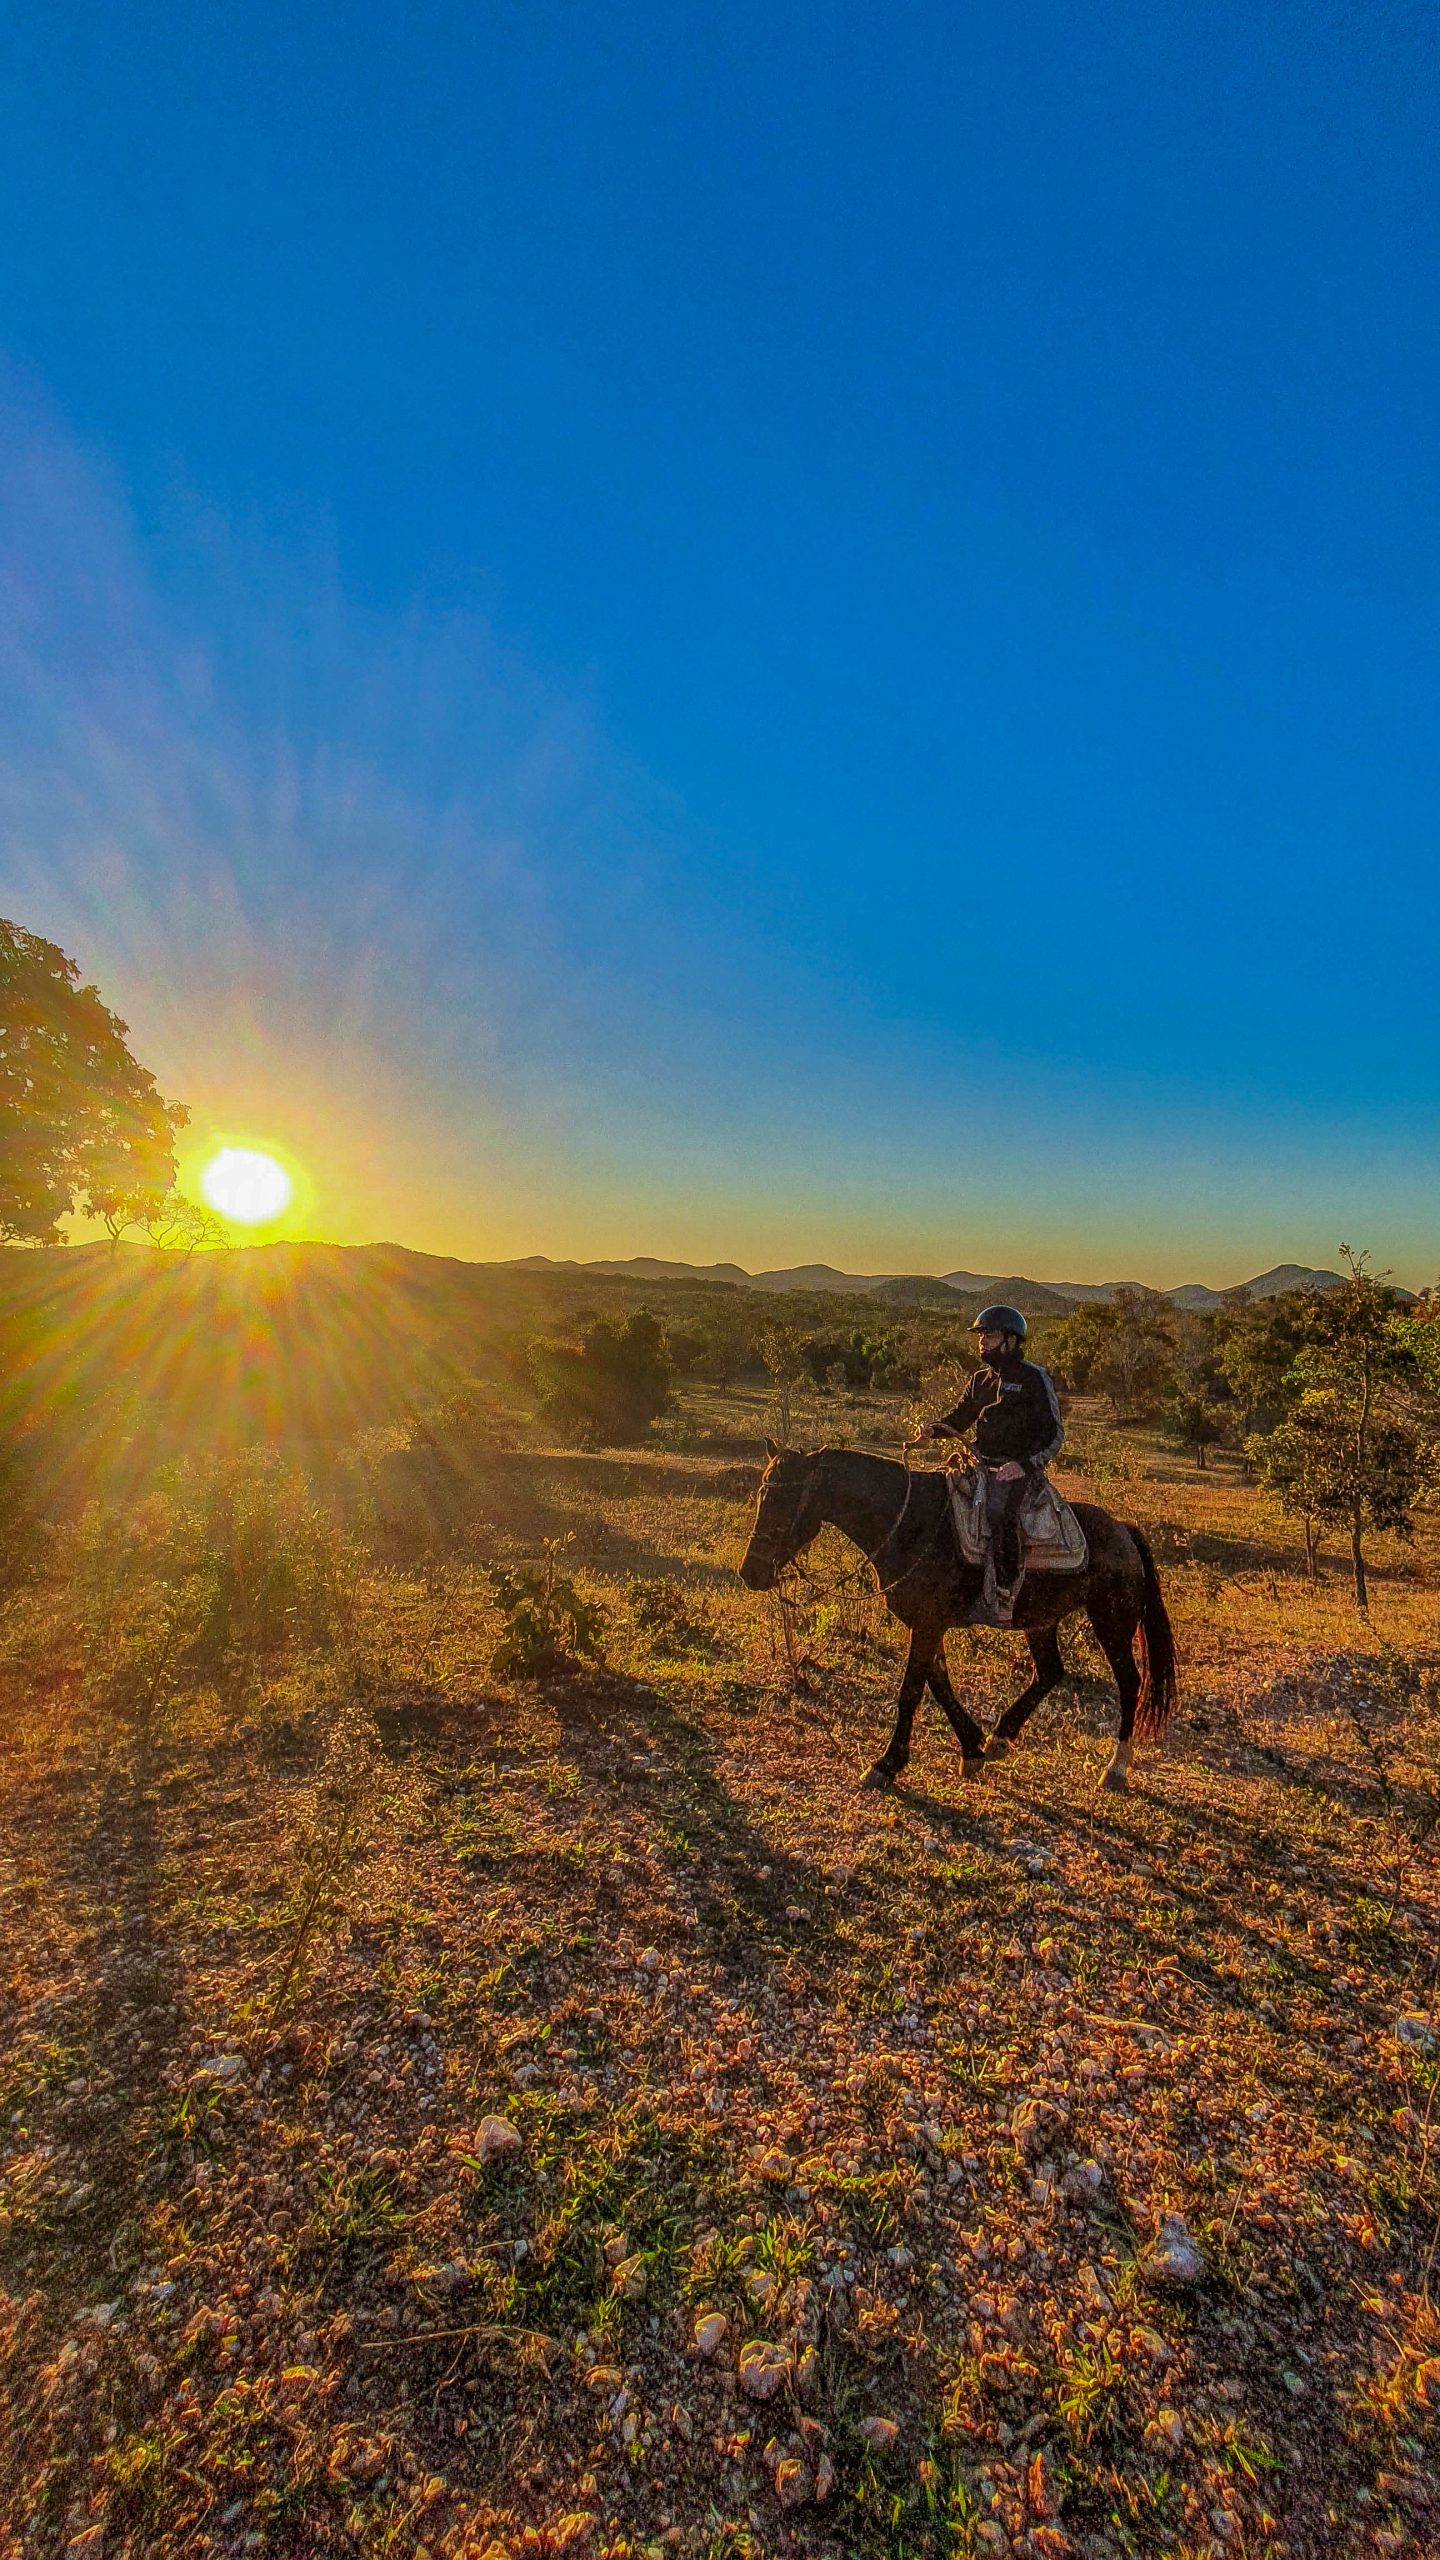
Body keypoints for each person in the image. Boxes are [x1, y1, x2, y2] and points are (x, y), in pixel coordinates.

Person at [912, 1305, 1064, 1620]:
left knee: (998, 1512)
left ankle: (1005, 1592)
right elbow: (961, 1417)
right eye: (980, 1336)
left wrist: (1023, 1465)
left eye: (990, 1335)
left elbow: (1053, 1434)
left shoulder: (1034, 1378)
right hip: (979, 1461)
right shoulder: (980, 1379)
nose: (982, 1342)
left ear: (1010, 1340)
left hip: (1017, 1468)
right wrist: (933, 1430)